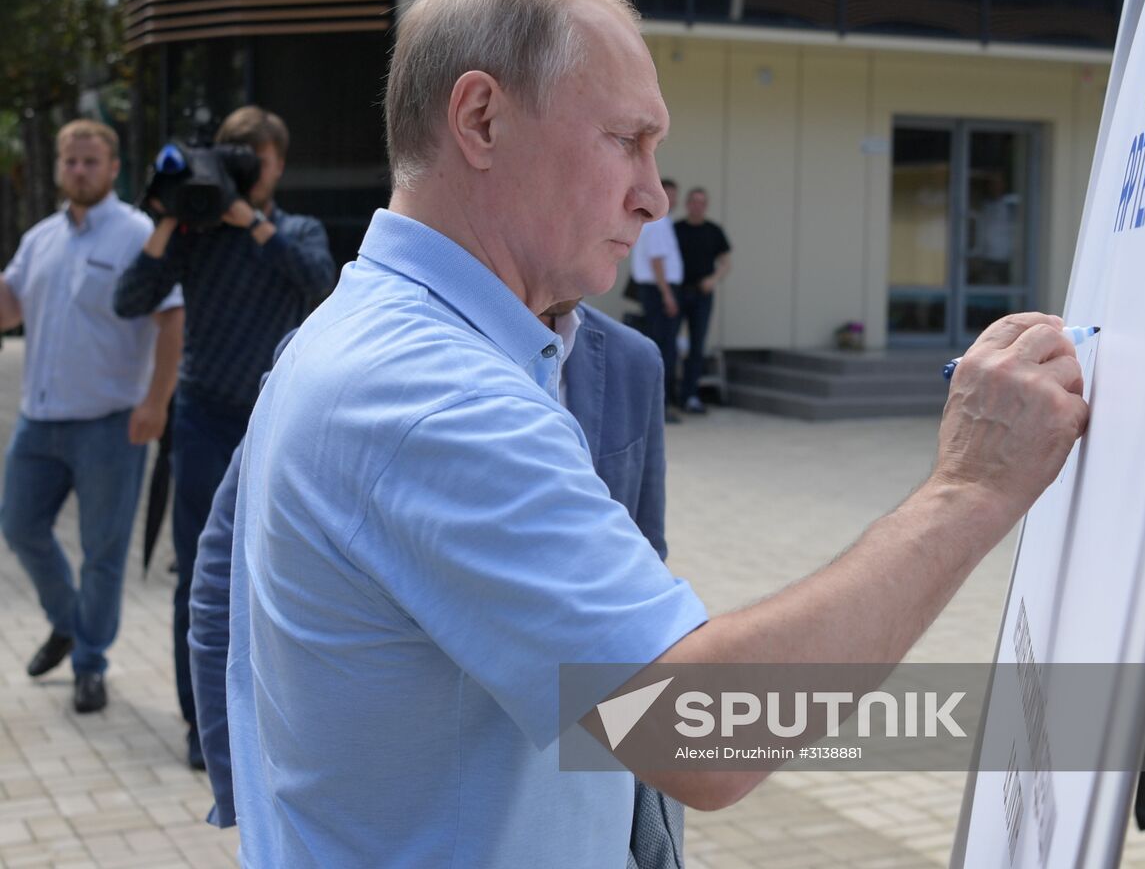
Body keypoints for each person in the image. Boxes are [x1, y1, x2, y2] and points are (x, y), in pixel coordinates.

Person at [225, 0, 1088, 867]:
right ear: (480, 119)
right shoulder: (427, 394)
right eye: (626, 140)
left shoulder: (373, 337)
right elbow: (698, 731)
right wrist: (969, 487)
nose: (653, 194)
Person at [190, 300, 677, 858]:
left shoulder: (628, 360)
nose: (652, 207)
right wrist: (243, 790)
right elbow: (705, 738)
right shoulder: (416, 384)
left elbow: (641, 578)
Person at [112, 105, 335, 768]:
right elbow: (128, 299)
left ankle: (281, 711)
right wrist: (167, 219)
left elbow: (319, 283)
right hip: (204, 417)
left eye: (253, 159)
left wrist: (251, 222)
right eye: (232, 157)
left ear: (278, 163)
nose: (241, 171)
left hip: (279, 417)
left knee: (286, 570)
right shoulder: (192, 235)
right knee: (199, 576)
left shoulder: (295, 228)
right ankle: (200, 722)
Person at [0, 119, 184, 714]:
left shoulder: (137, 235)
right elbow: (10, 305)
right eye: (70, 161)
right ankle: (68, 621)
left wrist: (156, 401)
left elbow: (172, 320)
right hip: (39, 420)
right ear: (59, 168)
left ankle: (89, 663)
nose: (78, 170)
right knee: (19, 525)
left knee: (103, 552)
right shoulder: (41, 238)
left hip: (111, 422)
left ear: (112, 169)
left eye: (90, 161)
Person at [630, 178, 684, 422]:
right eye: (668, 194)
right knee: (664, 348)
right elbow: (657, 261)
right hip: (659, 290)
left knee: (660, 345)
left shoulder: (653, 222)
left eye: (674, 195)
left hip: (654, 290)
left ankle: (657, 406)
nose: (672, 200)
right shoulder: (659, 222)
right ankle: (660, 407)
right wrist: (667, 295)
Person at [674, 186, 731, 413]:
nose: (697, 206)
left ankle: (691, 396)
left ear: (705, 206)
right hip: (678, 292)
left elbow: (726, 262)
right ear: (687, 204)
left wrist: (714, 279)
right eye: (694, 201)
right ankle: (669, 396)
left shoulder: (714, 231)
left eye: (701, 202)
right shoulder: (676, 229)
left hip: (702, 295)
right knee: (669, 344)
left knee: (697, 346)